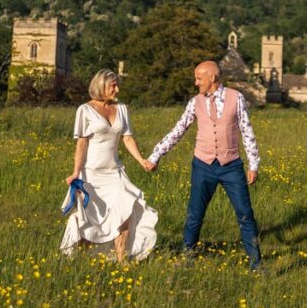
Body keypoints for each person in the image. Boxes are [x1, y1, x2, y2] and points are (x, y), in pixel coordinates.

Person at [147, 60, 261, 269]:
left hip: (231, 166)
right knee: (195, 213)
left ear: (212, 77)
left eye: (199, 78)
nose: (195, 82)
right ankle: (187, 258)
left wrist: (253, 164)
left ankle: (256, 264)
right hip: (203, 165)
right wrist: (156, 155)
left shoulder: (236, 98)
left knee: (245, 214)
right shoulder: (194, 102)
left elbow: (247, 131)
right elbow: (179, 129)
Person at [60, 69, 158, 261]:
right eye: (113, 85)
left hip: (115, 173)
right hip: (92, 174)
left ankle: (121, 259)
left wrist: (141, 160)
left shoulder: (121, 108)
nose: (117, 89)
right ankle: (79, 258)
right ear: (101, 86)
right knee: (92, 220)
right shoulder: (85, 110)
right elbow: (82, 143)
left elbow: (127, 138)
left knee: (125, 211)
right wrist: (75, 173)